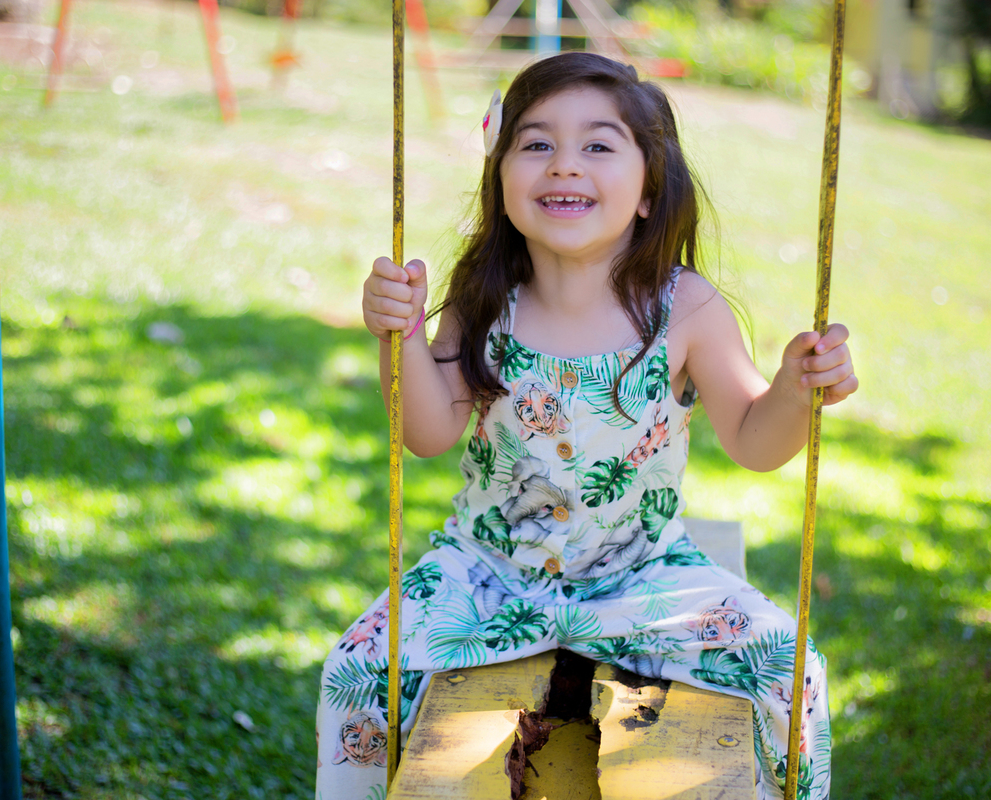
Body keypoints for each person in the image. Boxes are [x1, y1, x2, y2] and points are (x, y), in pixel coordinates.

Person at [316, 52, 856, 800]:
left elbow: (755, 440)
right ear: (501, 179)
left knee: (792, 671)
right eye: (536, 143)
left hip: (644, 579)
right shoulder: (485, 298)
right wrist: (400, 337)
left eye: (598, 146)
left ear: (647, 189)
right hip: (488, 573)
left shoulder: (686, 310)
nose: (564, 165)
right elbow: (429, 432)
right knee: (356, 666)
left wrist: (798, 391)